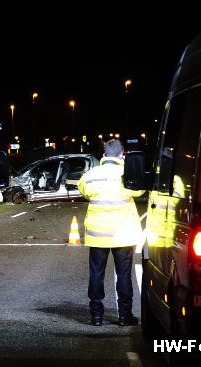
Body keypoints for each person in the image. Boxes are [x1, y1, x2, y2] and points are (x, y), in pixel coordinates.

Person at [77, 139, 145, 326]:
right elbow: (139, 191)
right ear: (122, 154)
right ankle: (124, 315)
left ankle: (96, 315)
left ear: (104, 154)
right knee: (123, 274)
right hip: (123, 235)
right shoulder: (126, 173)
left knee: (96, 274)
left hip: (98, 235)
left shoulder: (91, 175)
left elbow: (84, 190)